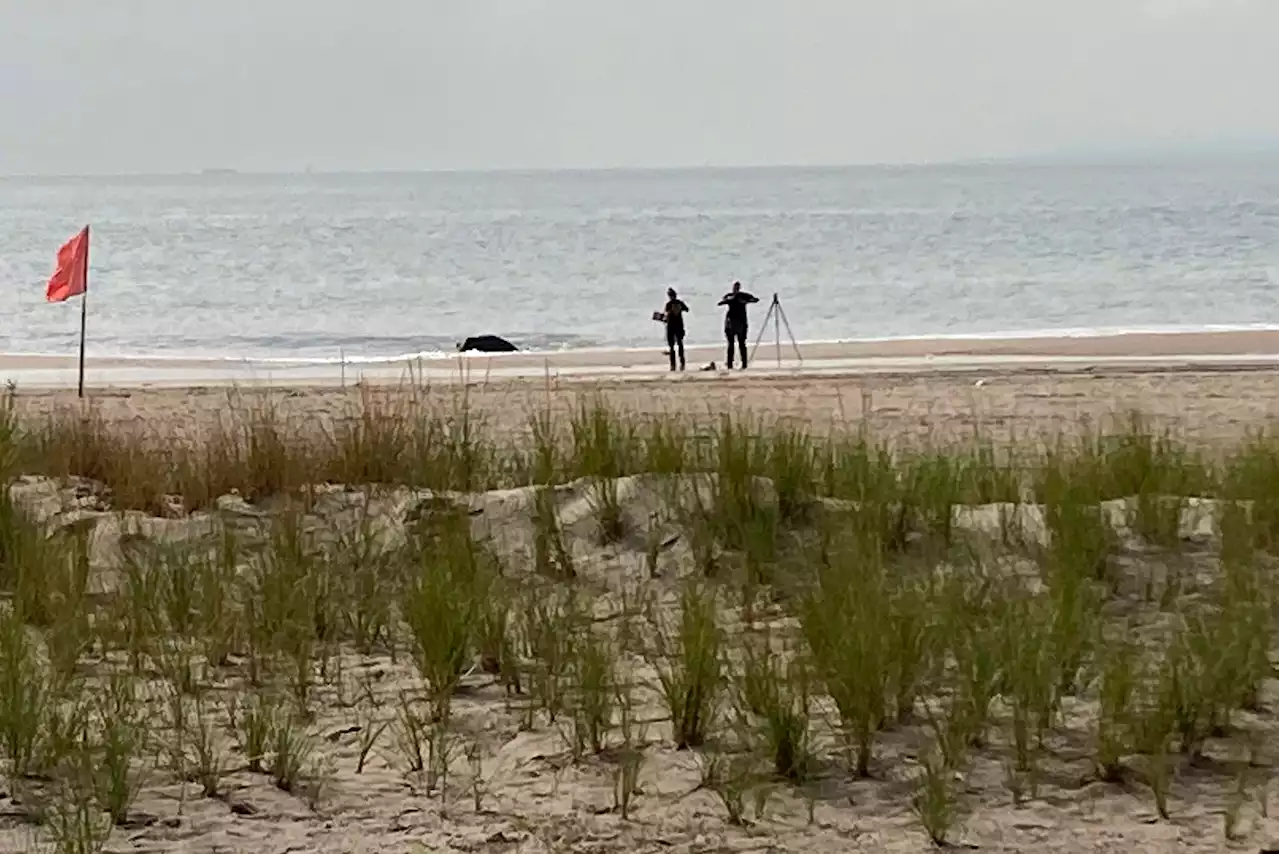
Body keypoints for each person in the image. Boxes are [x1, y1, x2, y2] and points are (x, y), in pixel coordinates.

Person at [718, 281, 758, 369]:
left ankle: (744, 364)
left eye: (737, 288)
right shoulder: (730, 296)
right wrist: (729, 300)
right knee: (731, 345)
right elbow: (721, 302)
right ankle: (729, 364)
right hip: (731, 323)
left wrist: (745, 301)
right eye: (734, 288)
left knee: (741, 344)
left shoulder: (743, 296)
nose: (735, 289)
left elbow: (755, 300)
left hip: (741, 323)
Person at [661, 287, 689, 371]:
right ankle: (682, 363)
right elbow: (687, 309)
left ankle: (673, 365)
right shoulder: (680, 303)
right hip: (679, 326)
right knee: (680, 345)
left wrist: (664, 317)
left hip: (671, 327)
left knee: (672, 346)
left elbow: (666, 316)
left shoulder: (668, 304)